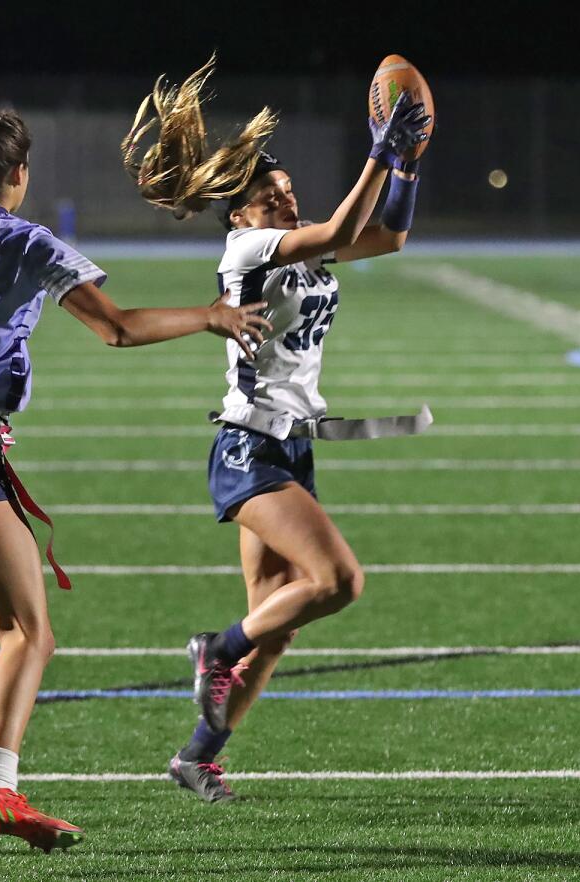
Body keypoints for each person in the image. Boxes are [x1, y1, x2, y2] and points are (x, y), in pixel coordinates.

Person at [0, 107, 271, 847]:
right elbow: (118, 326)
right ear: (17, 175)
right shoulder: (27, 243)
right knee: (26, 634)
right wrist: (210, 316)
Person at [123, 59, 429, 802]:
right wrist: (380, 154)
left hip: (288, 445)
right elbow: (346, 224)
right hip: (248, 448)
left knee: (278, 625)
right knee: (336, 582)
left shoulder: (302, 244)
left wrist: (408, 169)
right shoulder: (248, 251)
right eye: (269, 195)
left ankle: (198, 756)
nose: (285, 195)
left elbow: (385, 239)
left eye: (287, 187)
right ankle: (214, 648)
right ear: (240, 217)